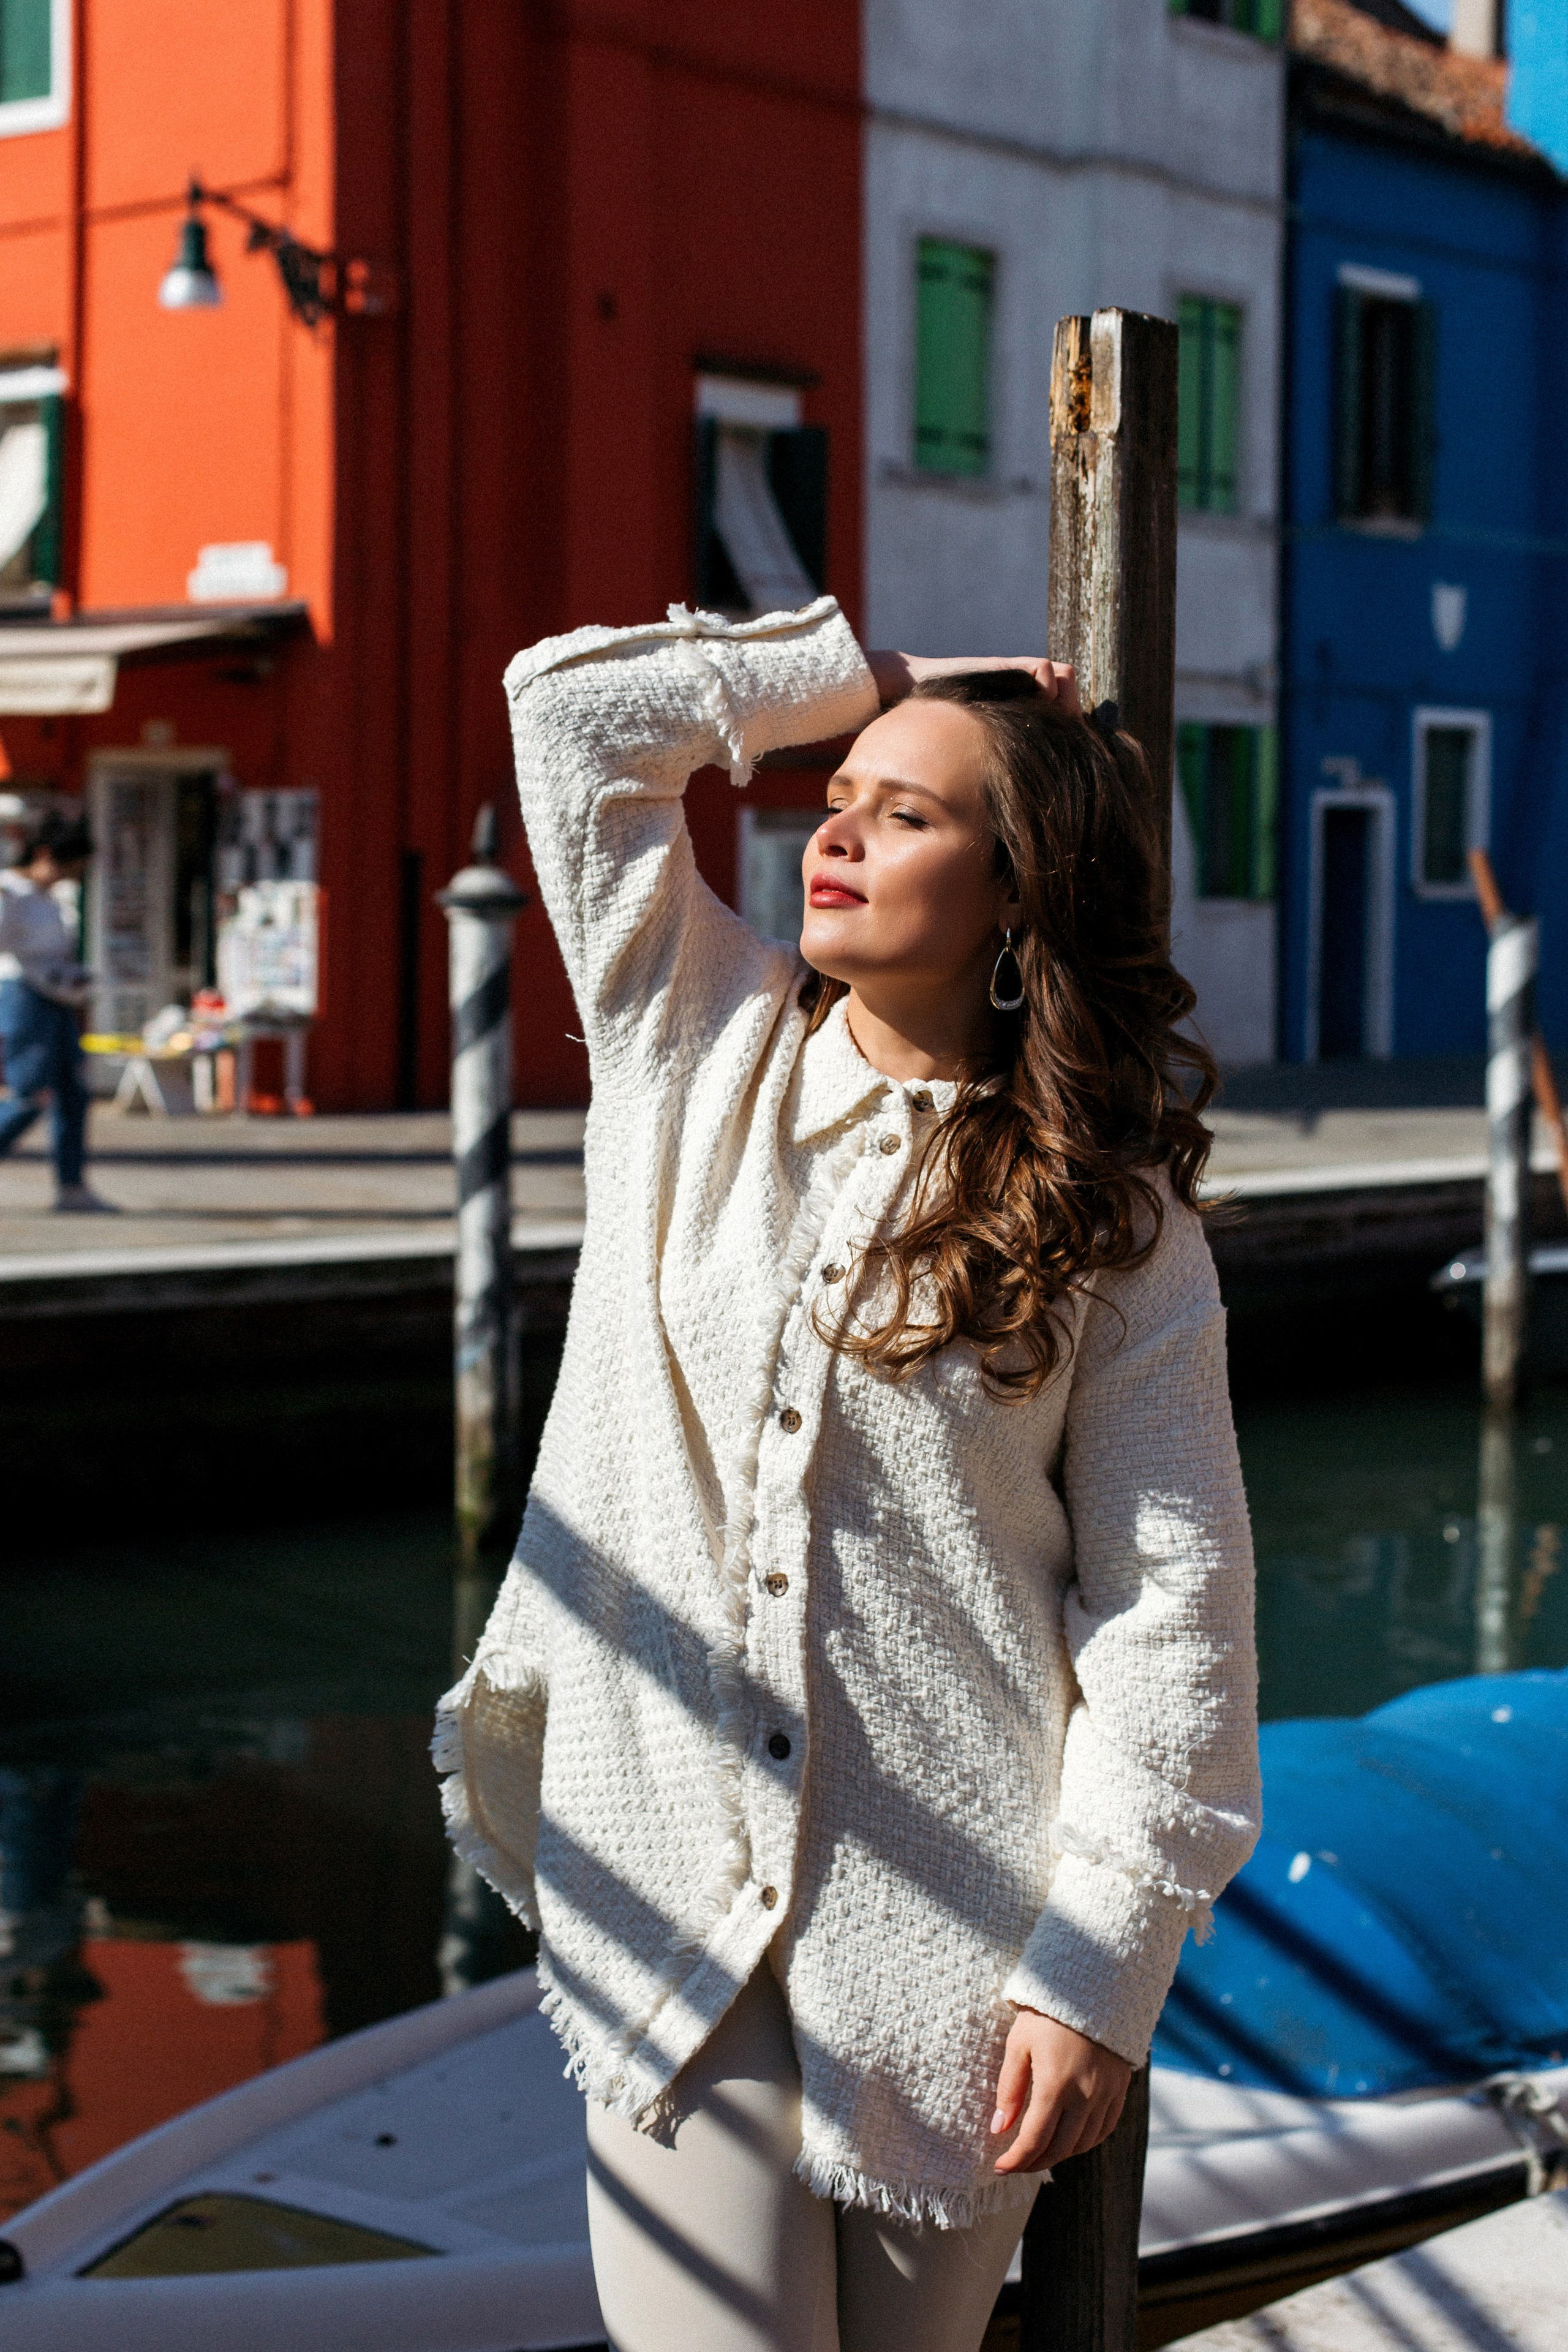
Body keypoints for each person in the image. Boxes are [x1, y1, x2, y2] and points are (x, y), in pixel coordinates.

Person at [435, 598, 1259, 2352]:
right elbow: (574, 717)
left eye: (909, 810)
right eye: (842, 791)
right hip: (658, 1856)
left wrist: (1100, 1974)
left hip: (956, 1926)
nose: (837, 826)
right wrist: (893, 682)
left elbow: (1170, 1619)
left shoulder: (1120, 1231)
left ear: (1016, 892)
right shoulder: (695, 1043)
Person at [0, 810, 111, 1212]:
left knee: (73, 1092)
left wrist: (73, 978)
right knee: (28, 1094)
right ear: (44, 855)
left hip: (57, 1000)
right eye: (67, 868)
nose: (70, 877)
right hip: (23, 995)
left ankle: (72, 1187)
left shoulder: (51, 899)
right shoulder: (9, 893)